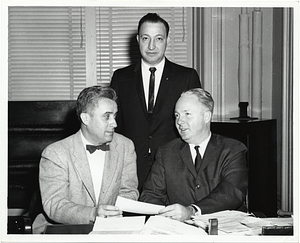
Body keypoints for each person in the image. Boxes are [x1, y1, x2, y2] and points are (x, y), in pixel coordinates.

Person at [110, 13, 201, 191]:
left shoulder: (187, 77)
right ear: (138, 39)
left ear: (167, 39)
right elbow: (115, 126)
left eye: (158, 38)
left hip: (175, 168)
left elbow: (196, 127)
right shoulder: (121, 77)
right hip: (131, 169)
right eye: (146, 38)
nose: (151, 46)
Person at [33, 86, 139, 233]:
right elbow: (55, 205)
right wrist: (93, 214)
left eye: (115, 116)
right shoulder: (55, 153)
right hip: (64, 230)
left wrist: (113, 213)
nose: (114, 123)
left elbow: (129, 191)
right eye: (107, 116)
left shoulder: (125, 146)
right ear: (85, 118)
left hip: (111, 230)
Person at [140, 88, 248, 222]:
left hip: (223, 228)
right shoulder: (166, 152)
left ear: (206, 116)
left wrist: (192, 210)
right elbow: (150, 195)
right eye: (177, 115)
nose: (179, 121)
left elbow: (231, 192)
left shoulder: (232, 149)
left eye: (187, 114)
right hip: (180, 230)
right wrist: (167, 216)